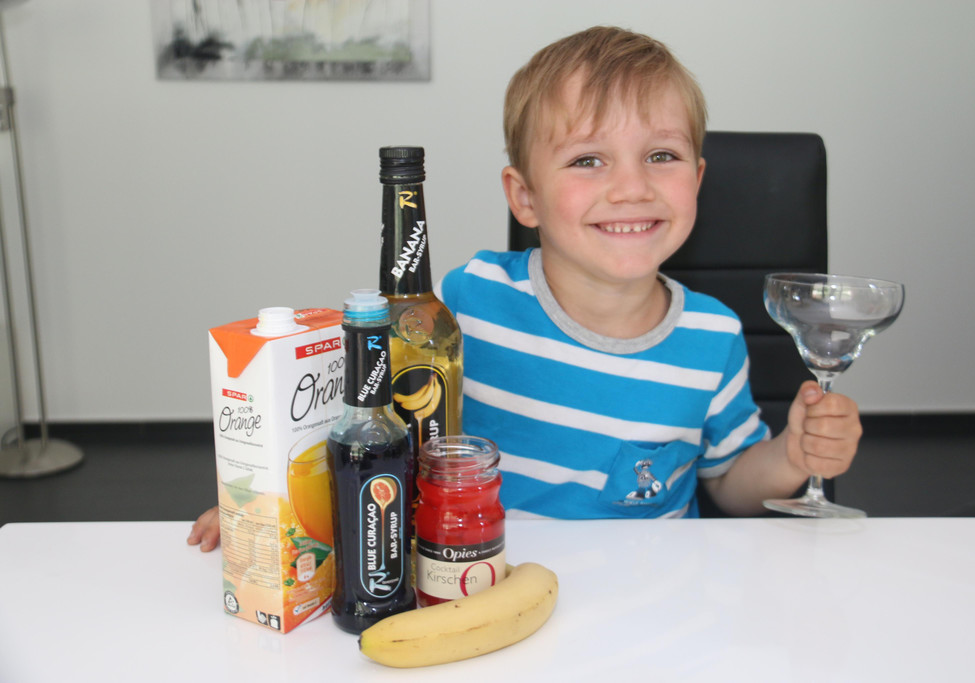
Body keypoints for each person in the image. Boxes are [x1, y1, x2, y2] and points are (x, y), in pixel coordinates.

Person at [189, 26, 861, 546]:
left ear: (698, 180)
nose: (632, 187)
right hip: (483, 579)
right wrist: (277, 502)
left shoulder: (713, 336)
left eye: (662, 155)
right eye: (588, 159)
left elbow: (731, 482)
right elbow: (368, 421)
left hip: (656, 611)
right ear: (525, 197)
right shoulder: (467, 301)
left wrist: (791, 454)